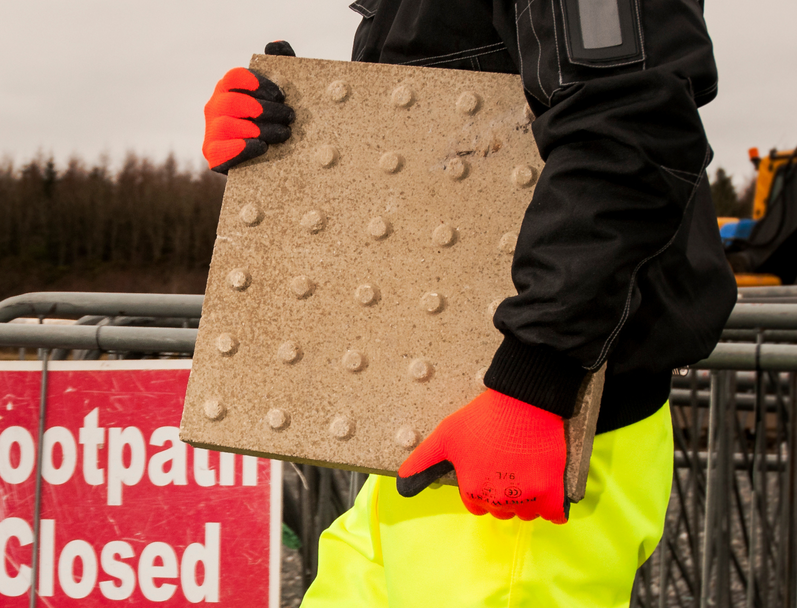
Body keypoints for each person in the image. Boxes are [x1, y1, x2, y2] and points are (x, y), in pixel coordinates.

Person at [202, 0, 736, 604]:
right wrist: (294, 140)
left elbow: (630, 125)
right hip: (437, 428)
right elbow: (448, 173)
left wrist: (534, 385)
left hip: (533, 431)